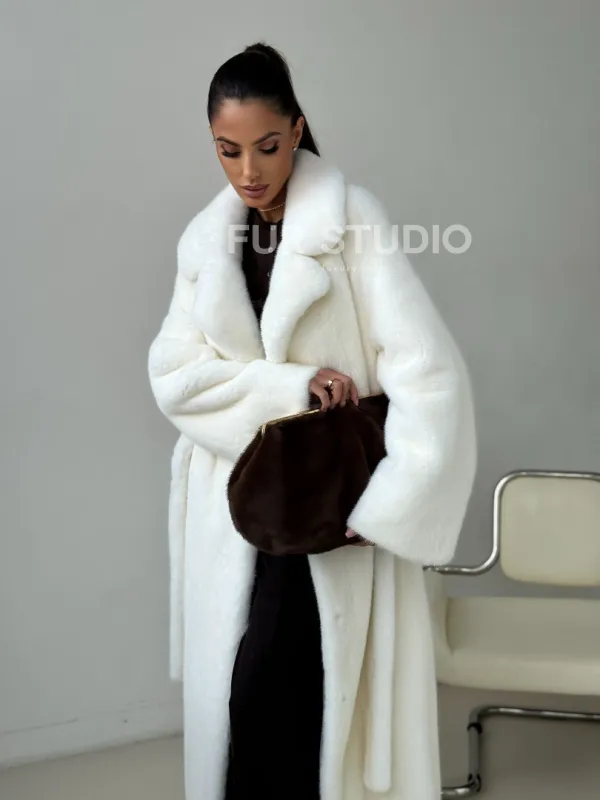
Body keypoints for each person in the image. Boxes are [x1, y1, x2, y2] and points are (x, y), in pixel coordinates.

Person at [147, 42, 477, 800]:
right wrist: (291, 389)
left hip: (333, 508)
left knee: (307, 696)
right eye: (228, 150)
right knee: (247, 695)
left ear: (297, 130)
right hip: (237, 506)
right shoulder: (205, 245)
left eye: (267, 146)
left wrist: (390, 503)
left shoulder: (351, 220)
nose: (248, 171)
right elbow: (175, 377)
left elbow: (429, 370)